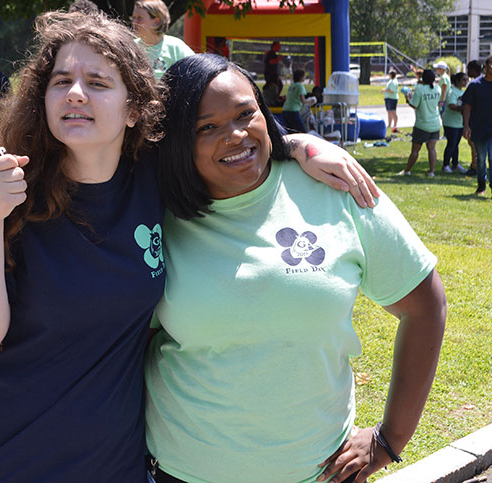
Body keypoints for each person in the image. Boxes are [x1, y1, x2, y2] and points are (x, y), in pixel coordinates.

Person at [0, 11, 380, 481]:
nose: (76, 93)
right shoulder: (9, 190)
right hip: (10, 453)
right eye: (61, 80)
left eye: (98, 82)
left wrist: (300, 144)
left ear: (133, 109)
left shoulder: (157, 179)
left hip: (117, 458)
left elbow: (230, 138)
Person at [145, 53, 446, 483]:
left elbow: (425, 306)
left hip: (318, 473)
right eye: (205, 127)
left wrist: (390, 437)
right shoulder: (155, 210)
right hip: (182, 471)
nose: (234, 135)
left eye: (245, 113)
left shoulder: (335, 186)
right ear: (177, 140)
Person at [131, 0, 194, 80]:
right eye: (133, 18)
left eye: (139, 18)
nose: (134, 22)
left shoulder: (175, 47)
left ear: (156, 22)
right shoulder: (131, 48)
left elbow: (196, 69)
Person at [398, 69, 441, 177]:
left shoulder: (420, 90)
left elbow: (414, 105)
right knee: (432, 149)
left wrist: (407, 98)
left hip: (422, 124)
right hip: (435, 123)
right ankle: (431, 172)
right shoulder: (437, 89)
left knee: (415, 150)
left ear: (423, 78)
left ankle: (407, 170)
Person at [462, 55, 492, 196]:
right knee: (480, 159)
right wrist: (466, 126)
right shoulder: (475, 85)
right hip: (479, 128)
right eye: (490, 64)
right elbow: (467, 106)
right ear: (485, 66)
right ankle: (481, 185)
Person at [441, 73, 468, 174]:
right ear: (457, 81)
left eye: (467, 80)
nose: (465, 82)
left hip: (459, 122)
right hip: (451, 122)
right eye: (463, 80)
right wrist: (464, 108)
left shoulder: (463, 91)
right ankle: (445, 165)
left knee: (456, 144)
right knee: (451, 144)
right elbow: (451, 105)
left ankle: (455, 164)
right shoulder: (452, 91)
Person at [464, 60, 482, 176]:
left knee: (474, 143)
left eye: (469, 69)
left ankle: (475, 166)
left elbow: (467, 105)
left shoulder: (475, 84)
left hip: (476, 119)